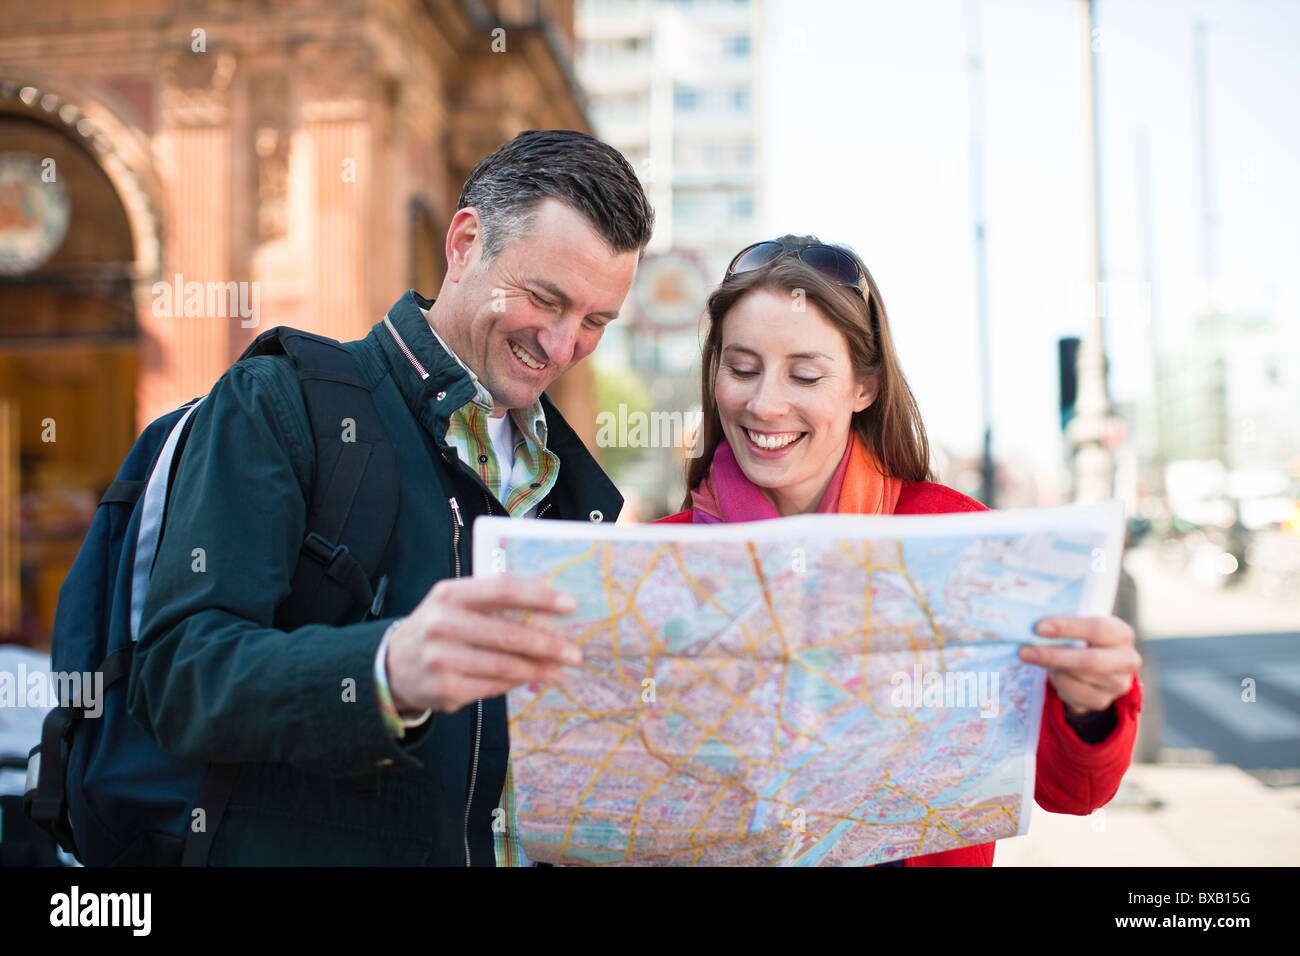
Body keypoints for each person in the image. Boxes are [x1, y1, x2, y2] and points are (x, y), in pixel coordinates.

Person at [129, 129, 654, 865]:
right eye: (545, 299)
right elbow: (181, 676)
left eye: (596, 322)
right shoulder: (278, 401)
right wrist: (384, 669)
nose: (564, 347)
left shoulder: (577, 492)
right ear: (465, 242)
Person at [657, 235, 1143, 866]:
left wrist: (1091, 705)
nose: (764, 403)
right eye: (742, 368)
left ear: (865, 386)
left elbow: (1068, 788)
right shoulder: (651, 559)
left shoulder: (965, 541)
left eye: (805, 374)